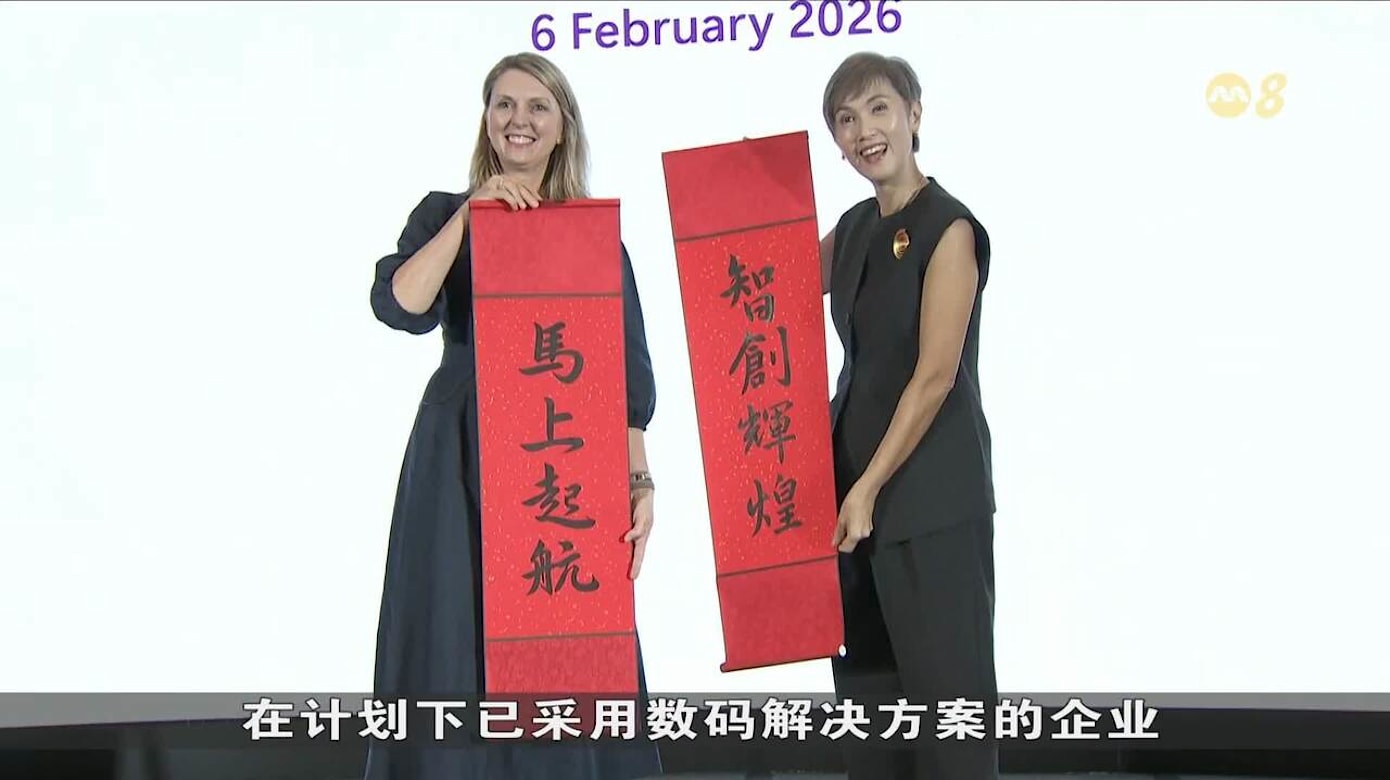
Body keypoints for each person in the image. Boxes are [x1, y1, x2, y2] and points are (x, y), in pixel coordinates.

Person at [363, 52, 662, 780]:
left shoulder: (591, 233)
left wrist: (639, 481)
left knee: (563, 633)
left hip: (562, 453)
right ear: (486, 120)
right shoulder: (444, 211)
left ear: (563, 128)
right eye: (504, 104)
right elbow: (400, 304)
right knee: (451, 625)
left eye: (537, 107)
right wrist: (474, 216)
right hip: (459, 455)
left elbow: (626, 376)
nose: (518, 120)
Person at [817, 52, 999, 780]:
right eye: (846, 118)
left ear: (913, 114)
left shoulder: (949, 228)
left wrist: (868, 488)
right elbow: (762, 280)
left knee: (949, 719)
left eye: (878, 108)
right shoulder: (855, 226)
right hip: (851, 507)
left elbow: (933, 379)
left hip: (928, 504)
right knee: (872, 719)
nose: (865, 130)